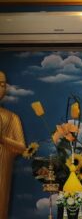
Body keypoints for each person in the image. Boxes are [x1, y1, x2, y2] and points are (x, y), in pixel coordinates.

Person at [0, 71, 26, 219]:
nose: (0, 88)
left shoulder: (11, 117)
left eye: (2, 85)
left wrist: (3, 138)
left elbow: (22, 147)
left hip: (3, 168)